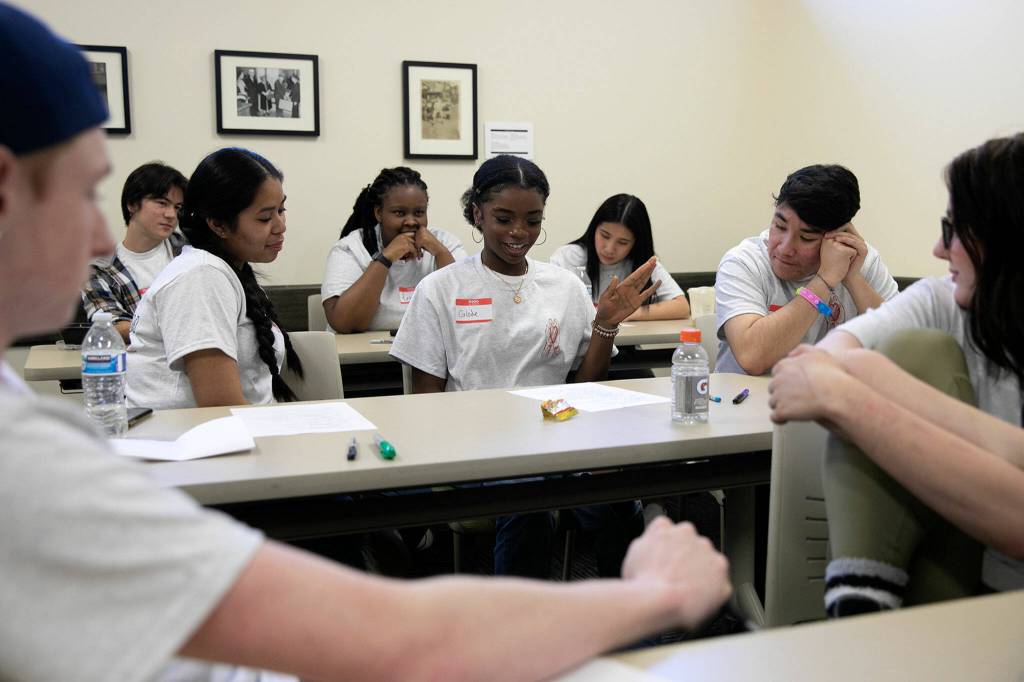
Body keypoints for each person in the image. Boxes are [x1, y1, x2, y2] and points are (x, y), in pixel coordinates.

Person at [0, 7, 732, 680]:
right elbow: (407, 640)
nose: (102, 237)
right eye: (83, 192)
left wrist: (604, 323)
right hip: (309, 483)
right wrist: (657, 596)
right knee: (494, 513)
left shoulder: (39, 425)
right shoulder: (33, 450)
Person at [769, 134, 1024, 616]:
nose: (937, 249)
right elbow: (808, 365)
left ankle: (862, 604)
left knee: (890, 357)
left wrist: (858, 386)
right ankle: (863, 595)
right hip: (967, 557)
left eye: (953, 230)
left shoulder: (871, 270)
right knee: (914, 348)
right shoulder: (940, 299)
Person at [390, 155, 660, 578]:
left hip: (557, 442)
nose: (519, 233)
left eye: (532, 221)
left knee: (619, 499)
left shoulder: (563, 286)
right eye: (504, 218)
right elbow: (427, 404)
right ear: (477, 214)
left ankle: (628, 624)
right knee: (531, 503)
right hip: (476, 449)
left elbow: (584, 388)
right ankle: (520, 631)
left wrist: (605, 323)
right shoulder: (440, 289)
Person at [125, 147, 303, 410]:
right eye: (265, 217)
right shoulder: (200, 276)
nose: (281, 225)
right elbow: (220, 405)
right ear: (218, 224)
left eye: (281, 209)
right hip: (185, 441)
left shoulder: (224, 269)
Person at [715, 164, 899, 376]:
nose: (784, 248)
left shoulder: (861, 261)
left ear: (838, 237)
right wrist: (824, 280)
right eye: (780, 226)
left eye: (806, 238)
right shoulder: (744, 262)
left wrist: (852, 277)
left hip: (829, 401)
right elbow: (752, 356)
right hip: (746, 404)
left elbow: (902, 351)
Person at [321, 167, 465, 333]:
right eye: (399, 213)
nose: (411, 221)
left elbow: (467, 311)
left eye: (419, 212)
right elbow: (344, 323)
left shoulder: (446, 244)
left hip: (430, 355)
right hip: (363, 357)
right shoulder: (350, 249)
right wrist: (386, 258)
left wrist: (441, 253)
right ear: (379, 213)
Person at [81, 162, 188, 342]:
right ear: (132, 204)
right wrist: (176, 325)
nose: (171, 215)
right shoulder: (100, 268)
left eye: (177, 207)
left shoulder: (190, 251)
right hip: (142, 363)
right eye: (162, 203)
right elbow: (111, 326)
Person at [550, 193, 690, 320]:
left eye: (623, 242)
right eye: (604, 235)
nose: (609, 249)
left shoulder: (644, 265)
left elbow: (682, 307)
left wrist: (629, 312)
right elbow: (550, 307)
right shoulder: (568, 257)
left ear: (636, 243)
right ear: (594, 229)